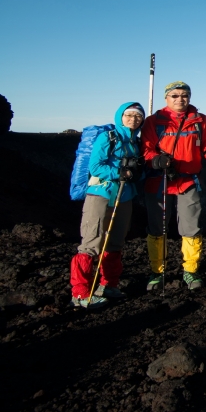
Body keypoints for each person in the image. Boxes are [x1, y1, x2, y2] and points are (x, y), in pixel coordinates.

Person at [141, 81, 206, 291]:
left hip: (188, 181)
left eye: (184, 95)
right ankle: (157, 272)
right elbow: (146, 149)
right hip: (160, 181)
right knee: (157, 228)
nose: (180, 99)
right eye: (174, 95)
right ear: (166, 98)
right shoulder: (153, 122)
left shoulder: (200, 120)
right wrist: (156, 160)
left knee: (191, 228)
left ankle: (190, 271)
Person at [70, 102, 147, 308]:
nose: (133, 119)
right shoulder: (108, 137)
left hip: (124, 196)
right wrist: (118, 173)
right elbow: (96, 166)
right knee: (92, 241)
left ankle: (108, 285)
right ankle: (80, 293)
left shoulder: (136, 143)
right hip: (101, 194)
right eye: (129, 115)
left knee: (115, 241)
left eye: (138, 116)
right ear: (120, 117)